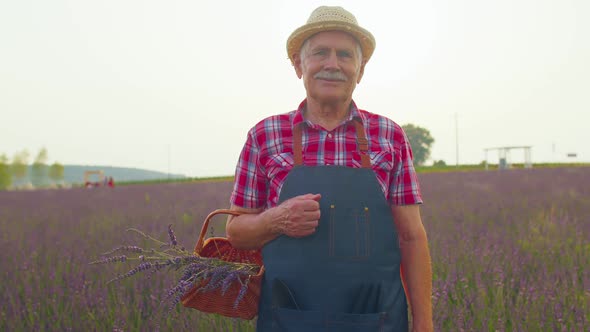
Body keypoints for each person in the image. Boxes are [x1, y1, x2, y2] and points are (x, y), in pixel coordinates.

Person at [226, 6, 433, 332]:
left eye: (345, 55)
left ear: (360, 69)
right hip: (288, 319)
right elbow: (236, 231)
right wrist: (277, 219)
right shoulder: (264, 136)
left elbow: (411, 236)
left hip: (377, 320)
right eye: (320, 53)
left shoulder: (389, 135)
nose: (333, 64)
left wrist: (424, 322)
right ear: (299, 65)